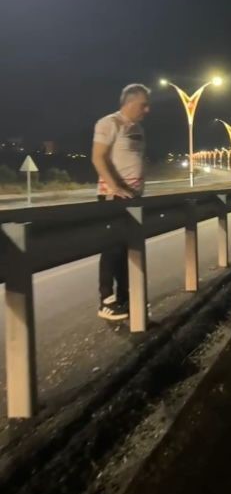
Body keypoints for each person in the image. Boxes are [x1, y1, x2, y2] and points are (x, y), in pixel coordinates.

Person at [92, 84, 151, 320]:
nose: (147, 110)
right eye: (143, 105)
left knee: (128, 250)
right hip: (112, 196)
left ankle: (125, 299)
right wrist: (115, 187)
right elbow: (98, 157)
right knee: (112, 249)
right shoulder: (109, 123)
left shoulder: (138, 129)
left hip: (134, 198)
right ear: (129, 102)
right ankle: (106, 301)